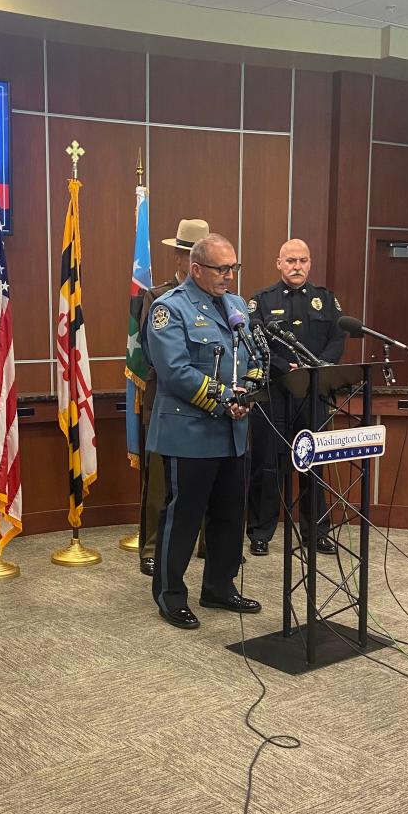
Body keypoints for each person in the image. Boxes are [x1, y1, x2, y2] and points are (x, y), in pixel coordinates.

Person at [144, 232, 263, 630]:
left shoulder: (237, 307)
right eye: (222, 268)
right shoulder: (169, 309)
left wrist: (249, 389)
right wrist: (223, 397)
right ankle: (170, 594)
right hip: (190, 432)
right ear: (196, 269)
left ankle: (219, 585)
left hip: (233, 429)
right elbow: (174, 370)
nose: (230, 275)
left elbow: (255, 355)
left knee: (229, 513)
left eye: (234, 267)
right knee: (184, 516)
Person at [246, 238, 345, 557]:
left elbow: (337, 338)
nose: (297, 266)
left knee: (314, 463)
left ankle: (316, 531)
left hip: (313, 393)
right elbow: (255, 340)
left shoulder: (326, 300)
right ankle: (260, 532)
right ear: (279, 264)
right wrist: (282, 366)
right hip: (275, 393)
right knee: (268, 465)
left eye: (303, 260)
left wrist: (317, 366)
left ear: (310, 263)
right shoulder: (261, 300)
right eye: (290, 261)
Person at [137, 217, 206, 578]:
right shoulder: (159, 297)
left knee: (209, 474)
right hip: (168, 400)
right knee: (162, 481)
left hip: (210, 404)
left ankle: (206, 543)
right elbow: (155, 355)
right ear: (180, 259)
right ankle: (151, 547)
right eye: (192, 255)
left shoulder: (222, 301)